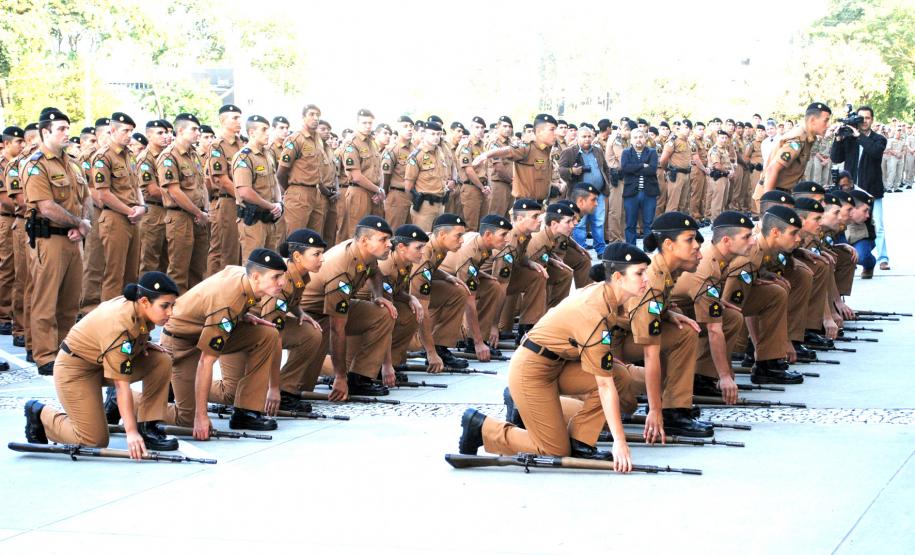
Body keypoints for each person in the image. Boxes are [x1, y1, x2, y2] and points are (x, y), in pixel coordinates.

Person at [457, 242, 654, 472]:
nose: (646, 279)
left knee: (619, 375)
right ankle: (482, 427)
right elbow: (603, 385)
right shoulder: (592, 312)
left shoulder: (606, 293)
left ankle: (581, 441)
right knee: (553, 450)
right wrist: (619, 443)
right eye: (640, 273)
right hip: (532, 370)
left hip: (557, 365)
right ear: (619, 278)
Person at [23, 272, 180, 458]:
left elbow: (130, 339)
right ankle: (40, 415)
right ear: (145, 301)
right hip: (76, 370)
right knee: (93, 440)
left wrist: (143, 344)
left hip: (100, 363)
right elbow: (122, 385)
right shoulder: (119, 326)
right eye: (165, 306)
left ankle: (148, 427)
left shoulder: (138, 308)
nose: (170, 312)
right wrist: (130, 433)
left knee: (161, 360)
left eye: (172, 305)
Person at [160, 248, 287, 436]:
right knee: (186, 420)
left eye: (282, 276)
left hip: (205, 329)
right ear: (256, 276)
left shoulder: (246, 280)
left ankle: (247, 411)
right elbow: (206, 361)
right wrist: (201, 416)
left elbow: (225, 283)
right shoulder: (227, 303)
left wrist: (243, 315)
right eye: (276, 277)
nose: (282, 282)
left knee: (267, 334)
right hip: (182, 343)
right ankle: (129, 400)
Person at [612, 212, 710, 438]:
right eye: (689, 240)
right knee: (623, 388)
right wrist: (655, 410)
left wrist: (668, 313)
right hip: (609, 345)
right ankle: (668, 409)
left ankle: (674, 407)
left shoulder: (665, 271)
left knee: (684, 331)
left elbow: (647, 308)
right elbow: (650, 352)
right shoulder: (653, 281)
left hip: (625, 335)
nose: (697, 246)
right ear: (668, 244)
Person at [218, 228, 326, 412]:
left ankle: (286, 391)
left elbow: (291, 301)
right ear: (298, 256)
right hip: (234, 328)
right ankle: (178, 388)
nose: (322, 259)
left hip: (256, 326)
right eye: (317, 254)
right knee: (232, 394)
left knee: (311, 333)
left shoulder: (298, 273)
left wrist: (299, 313)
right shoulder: (283, 280)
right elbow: (273, 336)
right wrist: (272, 388)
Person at [23, 107, 93, 376]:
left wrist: (82, 225)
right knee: (46, 300)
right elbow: (46, 206)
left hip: (73, 238)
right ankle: (45, 356)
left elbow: (86, 198)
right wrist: (78, 222)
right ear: (45, 132)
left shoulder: (72, 162)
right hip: (48, 238)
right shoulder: (37, 164)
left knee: (70, 301)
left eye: (67, 128)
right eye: (61, 129)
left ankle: (64, 351)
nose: (67, 133)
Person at [298, 215, 397, 398]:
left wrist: (378, 296)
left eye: (389, 239)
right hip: (311, 315)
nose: (389, 244)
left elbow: (374, 272)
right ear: (364, 241)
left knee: (384, 313)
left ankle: (359, 378)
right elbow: (337, 329)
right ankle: (330, 370)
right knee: (300, 388)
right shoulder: (341, 269)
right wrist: (339, 377)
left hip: (332, 309)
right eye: (383, 239)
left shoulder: (365, 253)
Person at [672, 212, 755, 404]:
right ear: (726, 240)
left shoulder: (720, 258)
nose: (752, 242)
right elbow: (713, 329)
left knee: (732, 316)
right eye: (746, 237)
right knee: (720, 322)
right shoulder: (707, 266)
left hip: (682, 310)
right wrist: (725, 376)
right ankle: (686, 386)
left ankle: (703, 375)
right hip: (666, 319)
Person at [441, 214, 513, 360]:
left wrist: (482, 274)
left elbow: (470, 268)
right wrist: (478, 343)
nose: (507, 239)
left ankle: (481, 338)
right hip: (443, 279)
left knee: (493, 286)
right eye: (503, 235)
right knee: (464, 294)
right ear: (488, 235)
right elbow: (469, 302)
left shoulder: (484, 245)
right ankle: (468, 341)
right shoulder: (469, 251)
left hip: (455, 275)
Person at [92, 112, 146, 302]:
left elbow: (136, 185)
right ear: (112, 130)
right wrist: (131, 211)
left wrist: (141, 206)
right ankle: (109, 324)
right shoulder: (103, 157)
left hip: (133, 217)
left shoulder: (128, 155)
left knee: (132, 274)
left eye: (131, 130)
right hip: (116, 218)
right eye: (125, 130)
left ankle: (129, 320)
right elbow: (103, 194)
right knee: (114, 274)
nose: (129, 134)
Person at [157, 113, 210, 293]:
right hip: (180, 217)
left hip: (199, 216)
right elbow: (174, 191)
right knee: (179, 269)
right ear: (180, 130)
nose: (198, 133)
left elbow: (201, 185)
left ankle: (192, 310)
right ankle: (176, 313)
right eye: (194, 129)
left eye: (198, 129)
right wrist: (198, 213)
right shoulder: (169, 156)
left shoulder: (194, 155)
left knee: (198, 268)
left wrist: (205, 211)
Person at [473, 114, 557, 203]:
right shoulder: (527, 147)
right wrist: (486, 155)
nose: (556, 133)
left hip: (539, 201)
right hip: (525, 202)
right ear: (539, 131)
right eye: (552, 129)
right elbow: (507, 150)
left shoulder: (546, 150)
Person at [233, 115, 284, 260]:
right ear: (251, 132)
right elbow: (245, 192)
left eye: (268, 129)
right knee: (253, 266)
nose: (268, 133)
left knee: (270, 265)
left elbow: (274, 182)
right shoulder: (244, 157)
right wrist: (270, 206)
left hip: (270, 219)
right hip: (253, 221)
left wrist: (279, 204)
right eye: (264, 129)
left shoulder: (266, 154)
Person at [559, 126, 610, 254]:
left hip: (598, 194)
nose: (587, 139)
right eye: (584, 136)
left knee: (598, 222)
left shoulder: (598, 151)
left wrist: (605, 183)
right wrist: (572, 171)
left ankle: (600, 250)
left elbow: (605, 168)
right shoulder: (569, 152)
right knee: (580, 223)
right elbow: (561, 170)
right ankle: (580, 250)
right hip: (580, 196)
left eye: (589, 136)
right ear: (577, 137)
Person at [206, 104, 244, 275]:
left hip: (243, 203)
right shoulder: (217, 146)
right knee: (229, 252)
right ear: (223, 120)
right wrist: (243, 197)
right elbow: (222, 180)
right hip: (229, 202)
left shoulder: (242, 143)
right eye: (234, 118)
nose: (239, 121)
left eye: (240, 117)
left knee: (243, 251)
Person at [277, 104, 327, 235]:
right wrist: (293, 190)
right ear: (303, 117)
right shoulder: (295, 139)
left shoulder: (317, 139)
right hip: (298, 192)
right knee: (296, 237)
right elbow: (281, 172)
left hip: (316, 193)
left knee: (314, 238)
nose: (315, 118)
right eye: (311, 114)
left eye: (318, 115)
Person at [137, 120, 170, 274]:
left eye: (166, 133)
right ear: (149, 135)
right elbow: (152, 190)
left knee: (166, 260)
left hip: (167, 211)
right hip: (153, 212)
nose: (165, 136)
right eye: (160, 133)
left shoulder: (166, 156)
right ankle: (146, 296)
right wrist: (179, 197)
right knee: (149, 261)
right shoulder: (145, 158)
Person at [405, 121, 449, 230]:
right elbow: (408, 186)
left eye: (439, 134)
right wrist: (417, 202)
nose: (436, 137)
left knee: (437, 242)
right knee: (423, 242)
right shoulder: (417, 155)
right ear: (424, 134)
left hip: (440, 204)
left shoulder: (440, 152)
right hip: (424, 206)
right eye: (432, 134)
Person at [620, 128, 659, 244]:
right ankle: (631, 250)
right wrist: (642, 165)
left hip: (649, 193)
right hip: (631, 193)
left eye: (641, 137)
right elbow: (625, 168)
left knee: (648, 223)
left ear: (645, 139)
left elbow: (652, 170)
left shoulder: (652, 152)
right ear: (631, 140)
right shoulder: (626, 152)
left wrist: (634, 168)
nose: (638, 140)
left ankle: (648, 251)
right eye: (635, 137)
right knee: (630, 224)